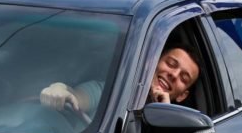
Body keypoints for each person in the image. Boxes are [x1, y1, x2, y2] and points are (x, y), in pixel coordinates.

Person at [39, 42, 201, 119]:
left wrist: (164, 114)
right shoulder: (112, 91)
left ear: (182, 96)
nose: (174, 74)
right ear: (152, 62)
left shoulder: (177, 128)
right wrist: (60, 89)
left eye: (183, 78)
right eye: (171, 64)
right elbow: (76, 97)